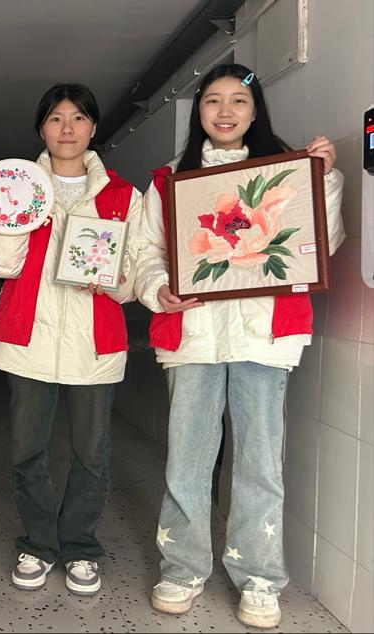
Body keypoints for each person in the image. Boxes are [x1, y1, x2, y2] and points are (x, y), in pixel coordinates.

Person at [135, 63, 345, 629]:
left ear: (255, 111)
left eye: (238, 101)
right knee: (187, 460)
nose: (225, 111)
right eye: (212, 100)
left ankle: (259, 578)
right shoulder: (169, 181)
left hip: (263, 334)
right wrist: (159, 289)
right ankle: (182, 569)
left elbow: (319, 245)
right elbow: (146, 253)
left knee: (259, 461)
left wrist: (322, 179)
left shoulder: (286, 172)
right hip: (193, 335)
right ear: (198, 110)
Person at [0, 84, 144, 596]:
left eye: (78, 117)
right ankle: (40, 544)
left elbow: (135, 276)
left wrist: (109, 279)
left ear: (93, 127)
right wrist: (16, 219)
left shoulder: (123, 196)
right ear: (41, 129)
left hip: (94, 341)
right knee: (28, 451)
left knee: (92, 454)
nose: (67, 128)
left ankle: (81, 546)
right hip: (29, 340)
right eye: (55, 118)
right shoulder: (13, 185)